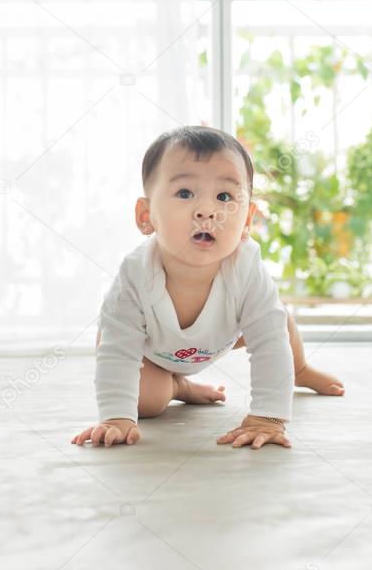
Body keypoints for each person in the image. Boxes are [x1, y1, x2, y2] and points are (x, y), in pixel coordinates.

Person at [71, 126, 344, 450]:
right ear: (146, 216)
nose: (207, 210)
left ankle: (298, 369)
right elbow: (118, 349)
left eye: (224, 197)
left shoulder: (245, 266)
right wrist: (116, 417)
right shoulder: (136, 273)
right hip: (150, 350)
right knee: (146, 402)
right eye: (185, 193)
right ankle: (177, 388)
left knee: (277, 321)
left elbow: (269, 341)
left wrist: (268, 418)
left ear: (246, 221)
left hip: (223, 336)